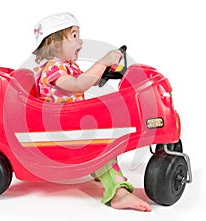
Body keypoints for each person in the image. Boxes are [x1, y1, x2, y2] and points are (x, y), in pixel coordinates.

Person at [32, 12, 152, 212]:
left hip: (69, 121)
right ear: (54, 42)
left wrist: (106, 72)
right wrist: (102, 62)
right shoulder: (53, 68)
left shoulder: (67, 66)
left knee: (106, 120)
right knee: (102, 143)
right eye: (73, 35)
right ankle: (118, 193)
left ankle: (99, 170)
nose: (80, 41)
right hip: (58, 128)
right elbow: (78, 85)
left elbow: (87, 79)